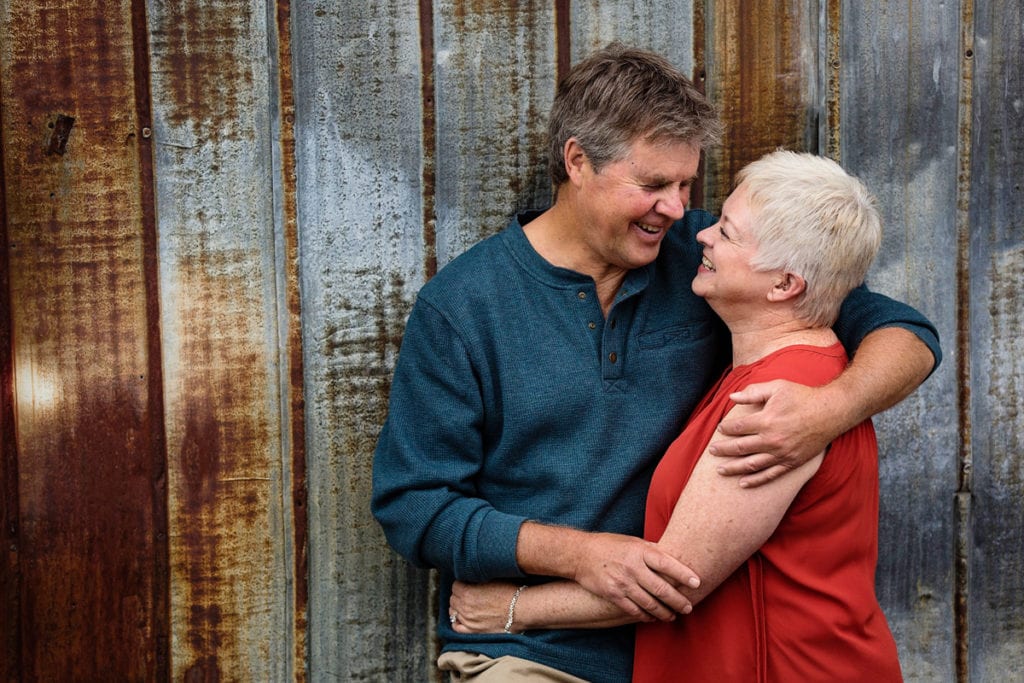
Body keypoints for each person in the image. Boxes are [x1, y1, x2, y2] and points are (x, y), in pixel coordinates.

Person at [372, 44, 939, 683]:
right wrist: (577, 554)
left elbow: (904, 331)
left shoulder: (711, 264)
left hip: (681, 640)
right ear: (578, 161)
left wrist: (828, 409)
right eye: (652, 185)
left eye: (685, 185)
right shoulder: (463, 307)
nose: (676, 209)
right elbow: (414, 505)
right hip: (535, 651)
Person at [449, 150, 904, 682]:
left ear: (784, 285)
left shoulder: (776, 404)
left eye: (728, 234)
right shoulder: (760, 372)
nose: (703, 236)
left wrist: (512, 608)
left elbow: (674, 579)